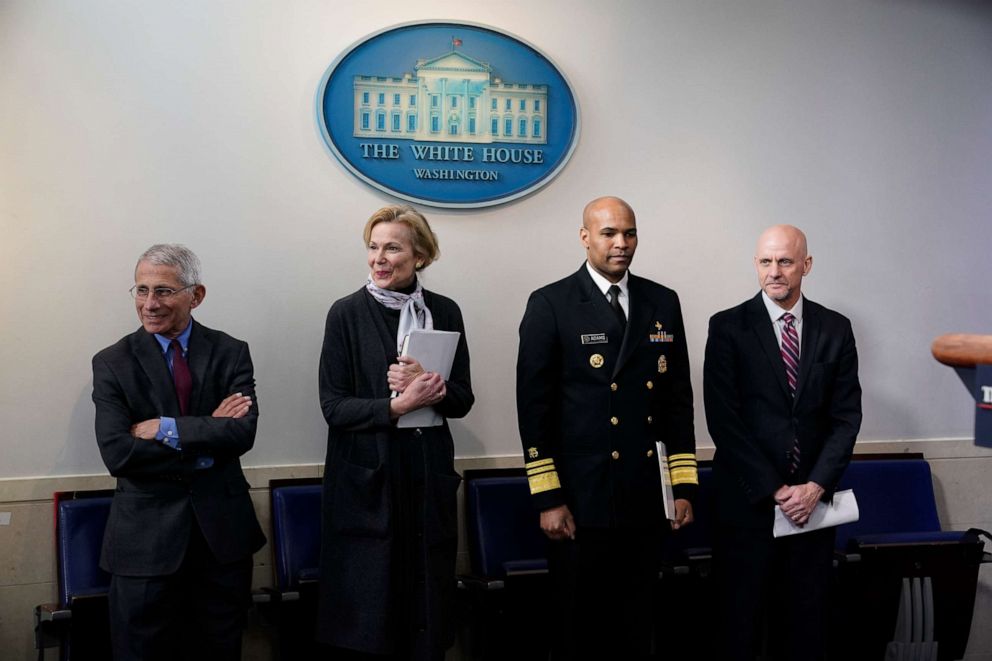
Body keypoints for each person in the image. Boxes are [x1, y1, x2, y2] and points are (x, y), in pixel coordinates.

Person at [516, 196, 698, 660]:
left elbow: (677, 402)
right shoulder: (552, 303)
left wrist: (681, 486)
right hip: (581, 499)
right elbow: (534, 408)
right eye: (609, 233)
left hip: (644, 496)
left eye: (629, 233)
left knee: (637, 624)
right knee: (579, 625)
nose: (622, 243)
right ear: (585, 237)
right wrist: (549, 498)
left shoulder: (662, 300)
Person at [91, 244, 265, 661]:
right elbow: (118, 453)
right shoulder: (112, 362)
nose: (149, 304)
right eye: (141, 290)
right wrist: (206, 444)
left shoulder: (230, 351)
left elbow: (242, 432)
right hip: (144, 547)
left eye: (164, 291)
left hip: (221, 541)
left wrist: (167, 429)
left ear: (196, 295)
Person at [316, 205, 474, 660]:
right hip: (369, 485)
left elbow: (462, 400)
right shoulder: (345, 314)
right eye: (373, 247)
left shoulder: (445, 311)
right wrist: (396, 406)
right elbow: (333, 406)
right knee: (370, 621)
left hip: (426, 478)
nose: (379, 258)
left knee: (427, 617)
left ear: (420, 255)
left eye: (392, 248)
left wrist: (435, 389)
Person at [704, 225, 862, 660]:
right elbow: (724, 421)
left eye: (786, 262)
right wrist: (776, 490)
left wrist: (812, 488)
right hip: (747, 506)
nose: (775, 272)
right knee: (739, 628)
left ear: (805, 266)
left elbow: (846, 418)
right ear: (756, 265)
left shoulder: (835, 328)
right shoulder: (727, 327)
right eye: (766, 261)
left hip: (812, 511)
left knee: (806, 629)